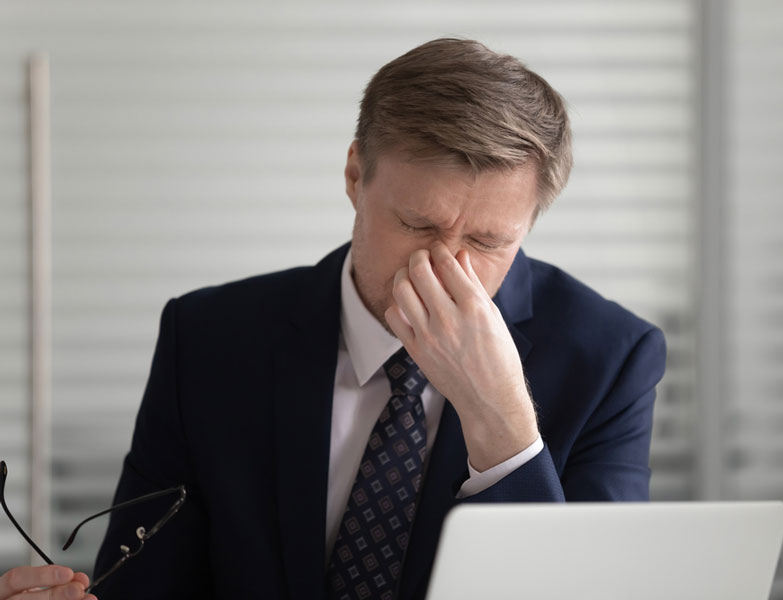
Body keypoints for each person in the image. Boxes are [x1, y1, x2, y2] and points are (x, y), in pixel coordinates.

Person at [1, 38, 665, 600]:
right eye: (417, 225)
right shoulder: (207, 339)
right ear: (355, 175)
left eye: (489, 242)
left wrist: (503, 425)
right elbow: (149, 587)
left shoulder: (611, 358)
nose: (447, 272)